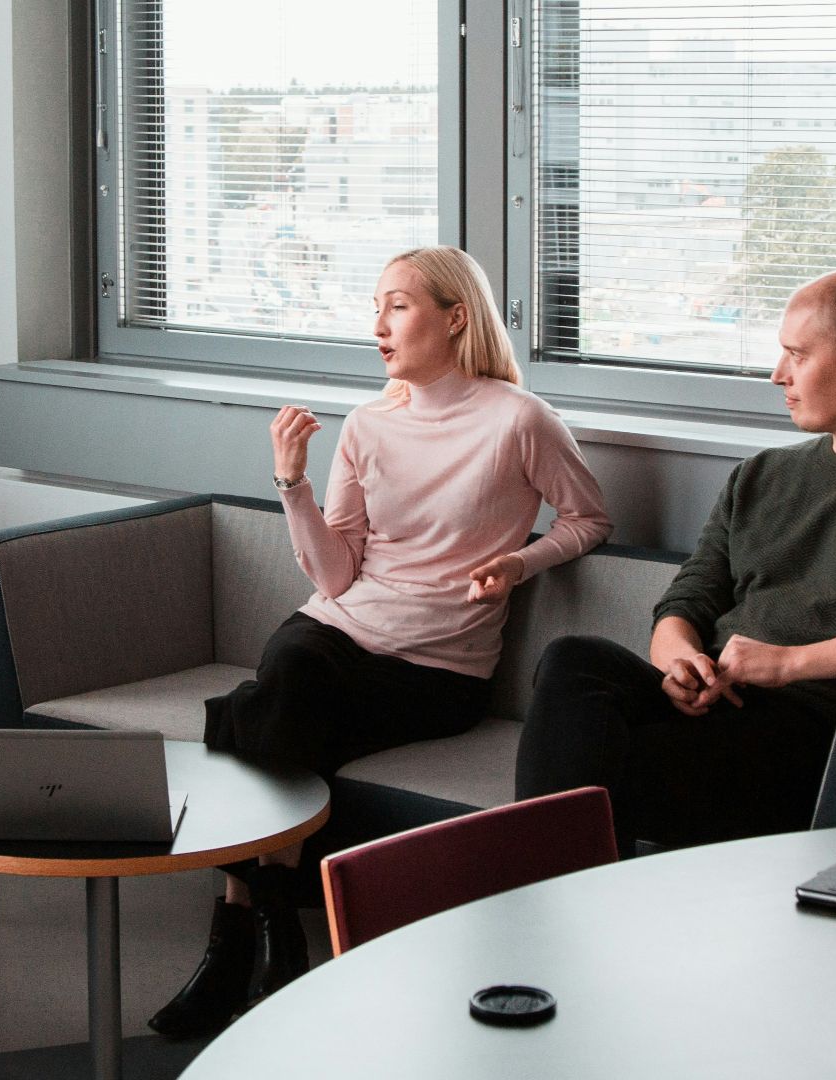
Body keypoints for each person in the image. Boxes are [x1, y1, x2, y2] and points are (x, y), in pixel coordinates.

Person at [149, 247, 612, 1038]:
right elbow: (333, 578)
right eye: (375, 306)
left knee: (252, 713)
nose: (378, 324)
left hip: (437, 667)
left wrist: (519, 561)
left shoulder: (519, 422)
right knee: (287, 679)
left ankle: (238, 944)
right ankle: (268, 935)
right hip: (340, 630)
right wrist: (291, 481)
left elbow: (590, 519)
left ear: (456, 316)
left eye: (397, 305)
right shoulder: (368, 424)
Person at [515, 269, 836, 853]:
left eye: (796, 355)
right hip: (710, 706)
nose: (777, 374)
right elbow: (687, 600)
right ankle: (545, 880)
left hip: (803, 732)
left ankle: (533, 889)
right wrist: (680, 662)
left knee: (587, 782)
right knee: (574, 662)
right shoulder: (761, 476)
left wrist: (789, 664)